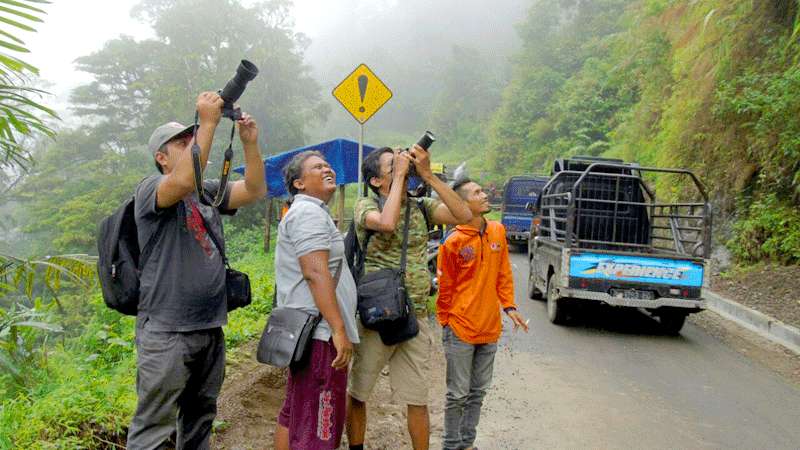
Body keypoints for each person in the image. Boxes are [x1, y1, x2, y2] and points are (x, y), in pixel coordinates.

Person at [126, 91, 267, 450]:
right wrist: (207, 124)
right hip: (167, 331)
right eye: (182, 142)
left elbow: (254, 189)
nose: (192, 143)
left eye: (193, 137)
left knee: (200, 420)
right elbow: (183, 181)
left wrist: (250, 144)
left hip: (208, 326)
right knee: (154, 428)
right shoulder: (151, 190)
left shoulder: (205, 192)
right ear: (161, 158)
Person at [346, 145, 473, 450]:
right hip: (377, 315)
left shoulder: (421, 207)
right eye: (393, 166)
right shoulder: (366, 203)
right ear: (376, 180)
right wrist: (401, 176)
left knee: (417, 398)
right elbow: (386, 223)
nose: (403, 168)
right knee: (359, 392)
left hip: (414, 316)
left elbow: (464, 215)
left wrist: (428, 175)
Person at [274, 151, 359, 450]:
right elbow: (314, 271)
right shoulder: (308, 213)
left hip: (308, 331)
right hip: (321, 334)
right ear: (299, 183)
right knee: (320, 424)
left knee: (296, 411)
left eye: (327, 164)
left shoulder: (310, 211)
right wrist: (338, 329)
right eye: (317, 167)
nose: (327, 169)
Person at [435, 178, 529, 450]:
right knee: (457, 395)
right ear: (463, 204)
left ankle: (467, 443)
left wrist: (509, 306)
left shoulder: (497, 231)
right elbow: (445, 287)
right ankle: (451, 445)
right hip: (460, 330)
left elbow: (503, 274)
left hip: (489, 329)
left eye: (483, 191)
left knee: (477, 393)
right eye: (477, 193)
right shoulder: (453, 242)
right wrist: (446, 322)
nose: (485, 195)